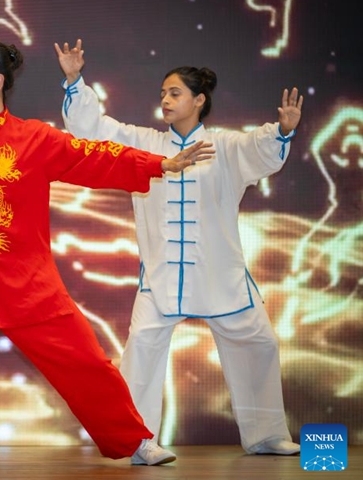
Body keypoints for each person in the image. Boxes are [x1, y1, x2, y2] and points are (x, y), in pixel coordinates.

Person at [0, 38, 214, 469]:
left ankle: (136, 441)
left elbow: (95, 157)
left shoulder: (34, 138)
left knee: (88, 364)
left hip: (28, 285)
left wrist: (157, 164)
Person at [56, 39, 303, 455]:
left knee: (259, 344)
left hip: (220, 273)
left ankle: (266, 435)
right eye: (163, 94)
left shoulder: (223, 145)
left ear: (199, 100)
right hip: (161, 275)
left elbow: (259, 151)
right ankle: (139, 441)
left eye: (175, 93)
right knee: (142, 351)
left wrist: (282, 130)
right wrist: (74, 80)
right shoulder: (144, 142)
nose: (166, 100)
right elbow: (93, 130)